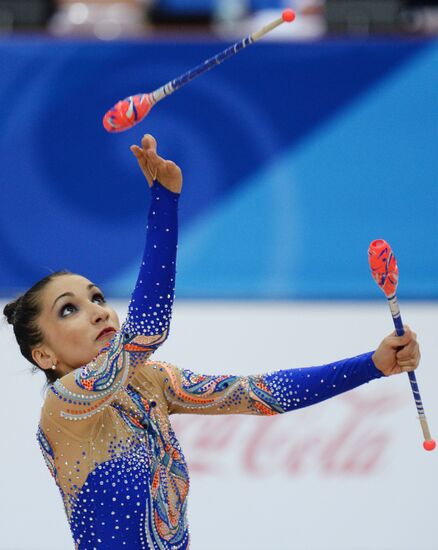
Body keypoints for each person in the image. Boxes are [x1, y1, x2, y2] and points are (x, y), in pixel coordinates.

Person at [3, 134, 420, 550]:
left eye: (97, 297)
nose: (97, 310)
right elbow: (148, 329)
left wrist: (374, 364)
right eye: (69, 309)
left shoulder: (153, 384)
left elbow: (263, 393)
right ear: (44, 354)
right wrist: (164, 203)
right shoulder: (65, 407)